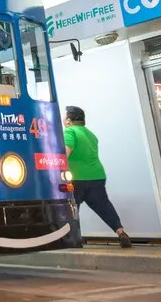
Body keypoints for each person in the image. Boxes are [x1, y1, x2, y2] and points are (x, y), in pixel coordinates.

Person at [63, 106, 132, 248]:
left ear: (69, 120)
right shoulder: (91, 134)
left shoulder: (69, 131)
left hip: (77, 177)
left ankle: (74, 238)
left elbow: (66, 153)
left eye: (65, 117)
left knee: (72, 208)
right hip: (97, 176)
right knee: (103, 206)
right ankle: (121, 232)